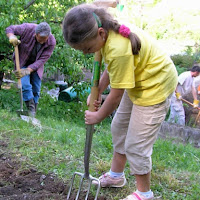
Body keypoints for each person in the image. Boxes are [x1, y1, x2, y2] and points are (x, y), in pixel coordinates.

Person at [62, 3, 178, 200]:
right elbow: (112, 68)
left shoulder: (118, 48)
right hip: (137, 80)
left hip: (154, 86)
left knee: (136, 144)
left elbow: (115, 95)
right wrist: (97, 89)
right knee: (119, 128)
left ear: (100, 33)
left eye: (87, 48)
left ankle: (144, 193)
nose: (86, 53)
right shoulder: (107, 31)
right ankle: (116, 176)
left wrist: (98, 115)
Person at [6, 22, 56, 117]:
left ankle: (33, 113)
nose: (42, 42)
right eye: (40, 39)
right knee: (25, 85)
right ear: (35, 34)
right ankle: (30, 109)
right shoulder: (27, 28)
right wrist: (11, 37)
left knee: (36, 89)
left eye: (44, 39)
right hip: (22, 62)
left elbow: (42, 60)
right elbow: (10, 28)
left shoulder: (51, 41)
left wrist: (28, 70)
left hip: (37, 67)